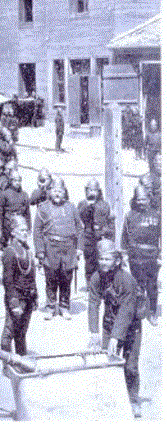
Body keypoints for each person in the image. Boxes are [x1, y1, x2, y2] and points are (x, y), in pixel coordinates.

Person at [87, 239, 143, 418]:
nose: (103, 262)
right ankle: (109, 398)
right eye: (101, 259)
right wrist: (94, 332)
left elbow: (127, 310)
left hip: (131, 327)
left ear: (117, 261)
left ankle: (133, 400)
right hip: (109, 324)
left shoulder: (126, 280)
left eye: (108, 259)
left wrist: (115, 336)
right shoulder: (96, 278)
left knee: (130, 366)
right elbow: (93, 303)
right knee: (106, 362)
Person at [33, 178, 83, 320]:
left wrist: (79, 248)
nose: (57, 194)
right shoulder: (43, 208)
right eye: (54, 191)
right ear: (50, 192)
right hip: (51, 248)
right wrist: (40, 251)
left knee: (66, 278)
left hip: (69, 248)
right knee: (51, 278)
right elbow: (37, 231)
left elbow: (80, 228)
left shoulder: (71, 207)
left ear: (64, 192)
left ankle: (64, 306)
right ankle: (50, 307)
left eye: (60, 191)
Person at [122, 185, 160, 327]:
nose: (141, 202)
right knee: (137, 285)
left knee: (152, 285)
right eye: (139, 199)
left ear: (149, 199)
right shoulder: (130, 215)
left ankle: (151, 312)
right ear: (135, 200)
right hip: (135, 256)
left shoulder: (157, 215)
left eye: (144, 199)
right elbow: (124, 237)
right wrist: (125, 255)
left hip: (152, 256)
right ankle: (139, 310)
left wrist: (161, 256)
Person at [0, 216, 38, 358]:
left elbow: (31, 276)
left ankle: (21, 360)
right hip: (16, 297)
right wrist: (14, 302)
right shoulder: (10, 252)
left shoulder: (27, 250)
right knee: (9, 332)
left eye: (26, 230)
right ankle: (7, 363)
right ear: (13, 232)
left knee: (21, 333)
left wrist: (35, 296)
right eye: (21, 230)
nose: (25, 233)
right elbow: (7, 281)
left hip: (28, 297)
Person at [78, 179, 115, 284]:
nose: (92, 192)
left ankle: (103, 285)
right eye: (90, 190)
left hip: (101, 237)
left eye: (95, 190)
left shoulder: (105, 205)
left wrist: (110, 238)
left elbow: (111, 222)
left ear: (99, 191)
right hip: (88, 237)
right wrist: (88, 205)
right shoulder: (82, 204)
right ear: (86, 191)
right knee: (89, 264)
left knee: (103, 263)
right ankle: (90, 285)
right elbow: (79, 221)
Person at [0, 170, 31, 252]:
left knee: (21, 244)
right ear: (11, 181)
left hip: (20, 222)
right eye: (15, 180)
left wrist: (29, 227)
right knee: (8, 244)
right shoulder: (5, 194)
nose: (17, 182)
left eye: (19, 180)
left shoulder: (24, 194)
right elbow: (0, 211)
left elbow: (27, 212)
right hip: (8, 223)